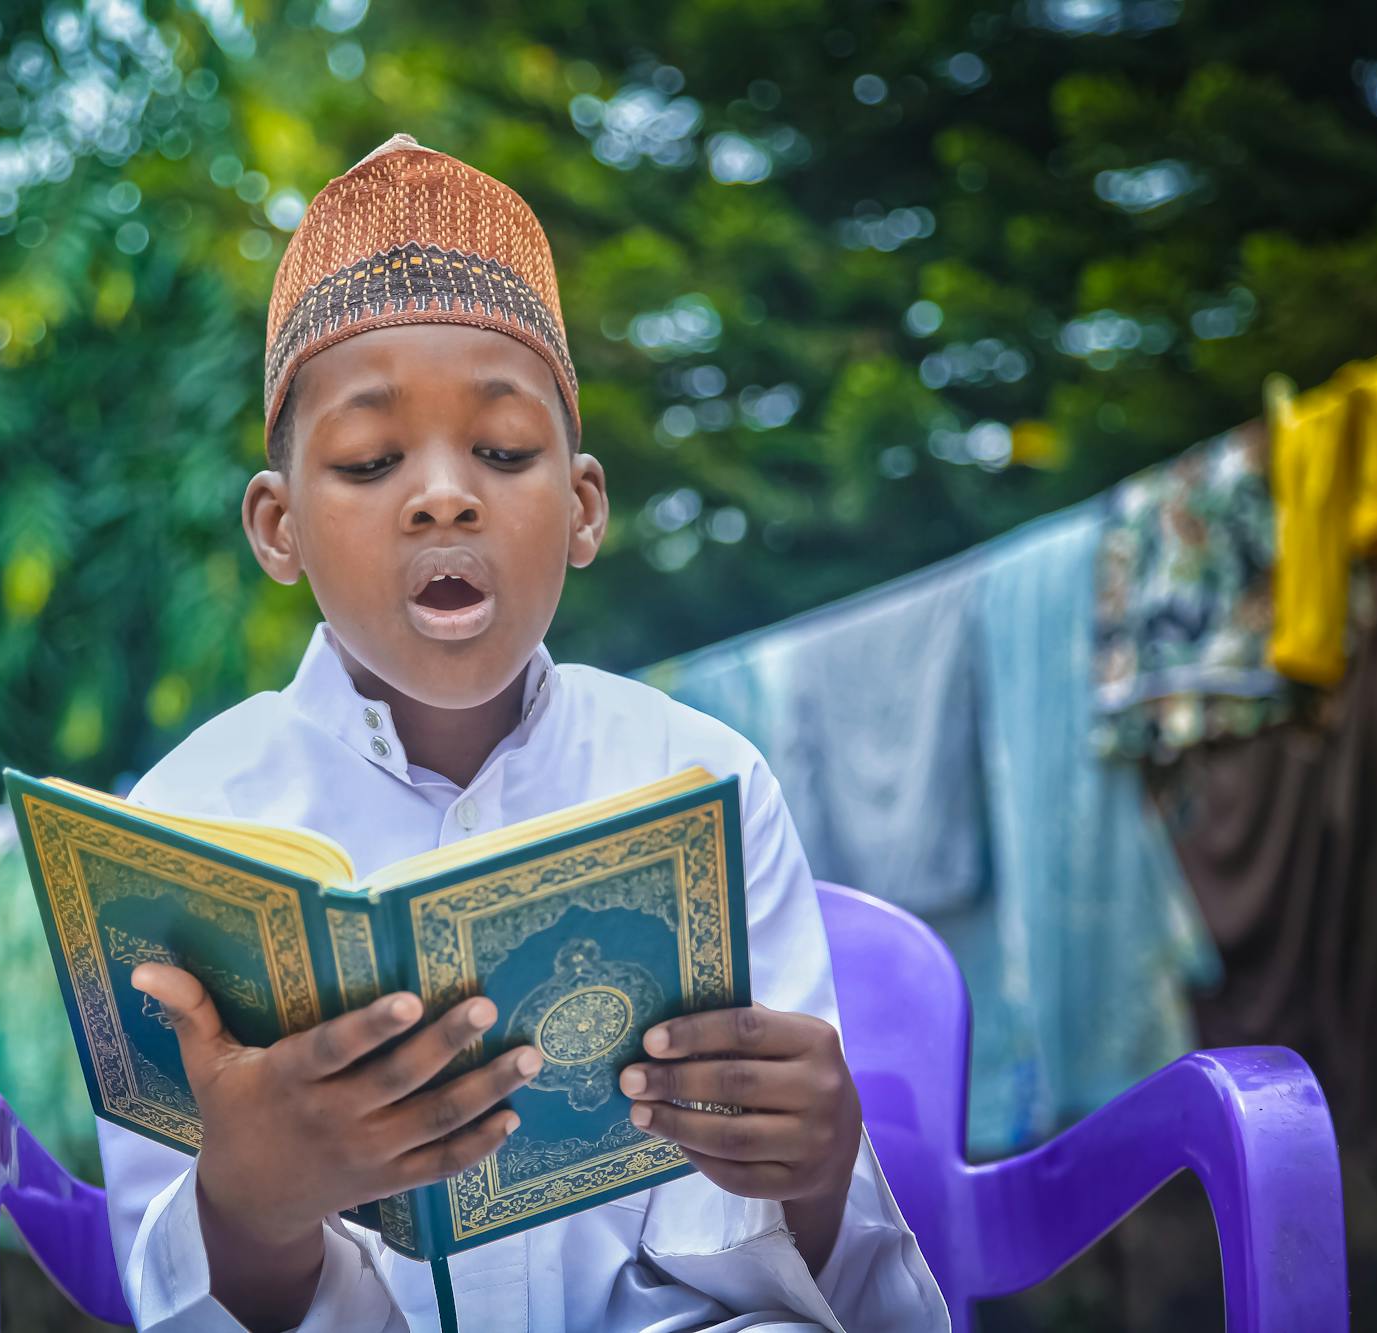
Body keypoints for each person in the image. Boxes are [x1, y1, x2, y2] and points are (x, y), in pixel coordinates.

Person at [106, 133, 947, 1332]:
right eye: (367, 458)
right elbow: (165, 1277)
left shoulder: (700, 779)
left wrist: (811, 1170)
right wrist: (248, 1207)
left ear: (582, 505)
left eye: (502, 451)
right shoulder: (185, 829)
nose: (444, 494)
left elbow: (814, 1274)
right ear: (278, 525)